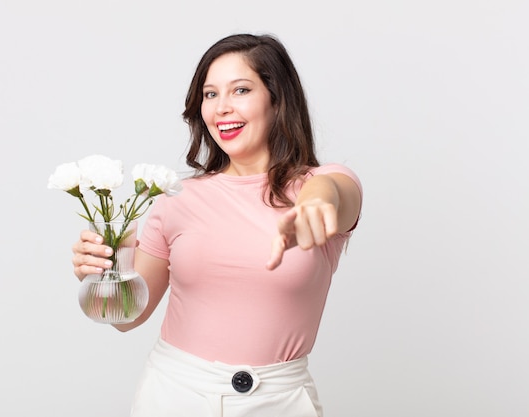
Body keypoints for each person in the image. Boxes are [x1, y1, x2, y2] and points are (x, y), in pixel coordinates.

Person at [72, 33, 363, 417]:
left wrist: (316, 200)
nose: (221, 107)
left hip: (280, 401)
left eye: (240, 90)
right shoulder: (176, 198)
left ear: (277, 101)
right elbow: (129, 319)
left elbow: (336, 193)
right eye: (210, 94)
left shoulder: (323, 184)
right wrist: (99, 275)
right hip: (175, 394)